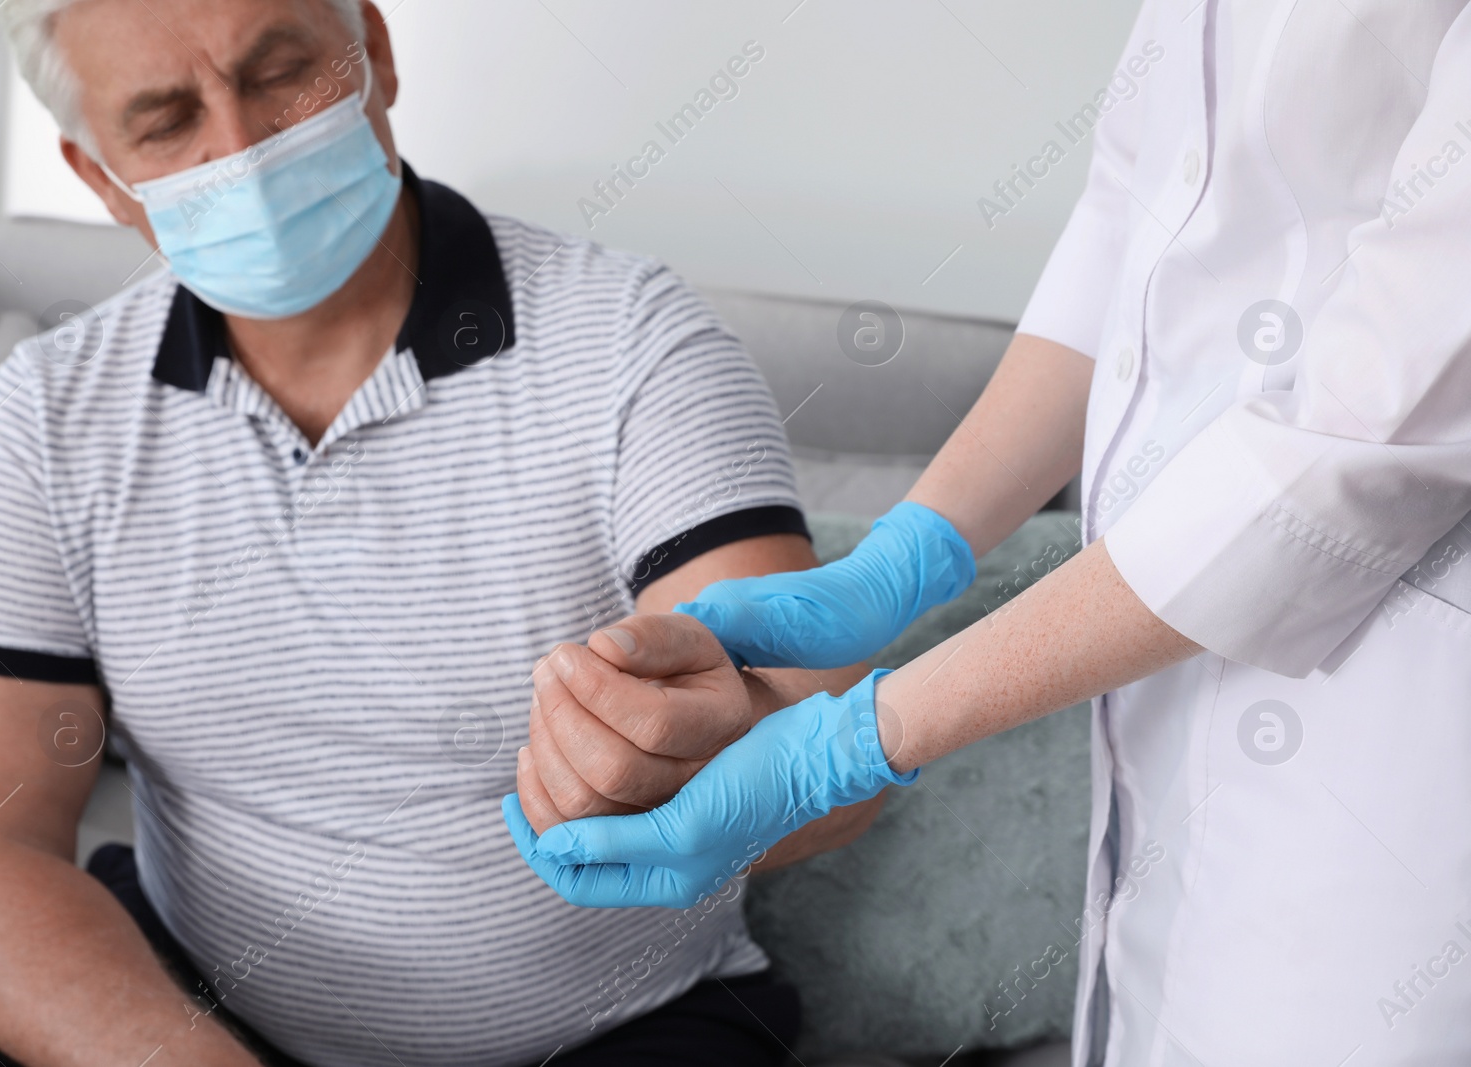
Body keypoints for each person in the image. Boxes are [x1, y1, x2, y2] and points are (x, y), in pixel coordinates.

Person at [0, 2, 885, 1065]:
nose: (243, 144)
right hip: (193, 1006)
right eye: (167, 120)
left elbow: (824, 754)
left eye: (280, 70)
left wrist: (708, 752)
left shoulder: (634, 344)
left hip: (619, 1029)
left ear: (376, 53)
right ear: (100, 180)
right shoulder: (44, 418)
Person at [507, 2, 1471, 1064]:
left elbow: (1356, 433)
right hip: (1155, 682)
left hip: (1387, 728)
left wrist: (858, 740)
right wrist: (906, 551)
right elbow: (1132, 219)